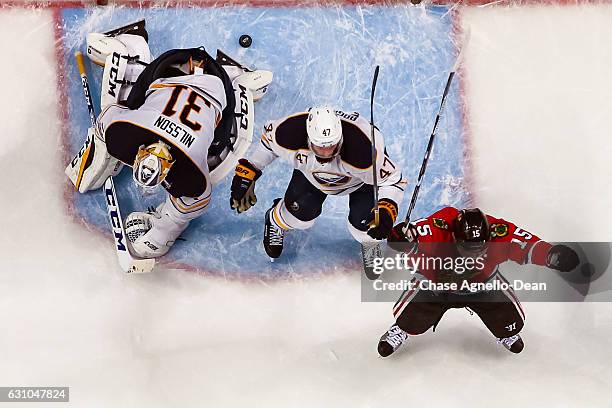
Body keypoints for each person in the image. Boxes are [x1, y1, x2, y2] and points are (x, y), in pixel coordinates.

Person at [65, 21, 272, 259]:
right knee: (216, 155)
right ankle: (236, 80)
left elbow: (108, 117)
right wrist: (163, 231)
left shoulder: (181, 163)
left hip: (188, 75)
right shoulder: (133, 136)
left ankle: (132, 45)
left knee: (217, 154)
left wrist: (164, 231)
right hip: (200, 81)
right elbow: (193, 204)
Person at [378, 206, 580, 356]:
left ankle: (504, 332)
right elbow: (416, 234)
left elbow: (527, 244)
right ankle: (403, 329)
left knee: (511, 324)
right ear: (455, 237)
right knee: (409, 319)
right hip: (436, 286)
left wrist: (552, 254)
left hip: (482, 286)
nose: (473, 255)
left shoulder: (498, 231)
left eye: (480, 249)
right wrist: (403, 238)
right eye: (468, 249)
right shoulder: (439, 227)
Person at [229, 107, 408, 259]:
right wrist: (249, 170)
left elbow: (393, 179)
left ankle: (370, 243)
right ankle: (275, 220)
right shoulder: (288, 133)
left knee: (367, 227)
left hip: (359, 183)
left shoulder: (364, 153)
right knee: (299, 219)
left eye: (331, 145)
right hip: (312, 176)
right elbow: (268, 141)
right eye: (320, 145)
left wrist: (387, 208)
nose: (326, 152)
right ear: (308, 136)